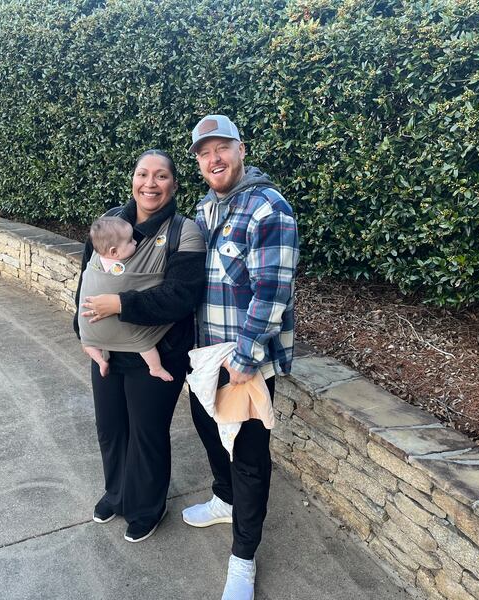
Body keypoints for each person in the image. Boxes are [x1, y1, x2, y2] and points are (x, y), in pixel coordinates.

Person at [182, 115, 299, 600]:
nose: (214, 159)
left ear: (241, 150)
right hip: (207, 353)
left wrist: (247, 356)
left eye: (222, 148)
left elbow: (273, 290)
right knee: (207, 426)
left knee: (249, 457)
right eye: (204, 152)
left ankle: (243, 560)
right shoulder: (205, 209)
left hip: (243, 359)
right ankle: (223, 499)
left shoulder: (269, 208)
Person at [73, 149, 206, 543]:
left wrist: (121, 304)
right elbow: (88, 279)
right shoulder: (111, 223)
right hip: (109, 347)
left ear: (174, 184)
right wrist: (82, 333)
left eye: (161, 176)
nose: (150, 183)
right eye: (143, 174)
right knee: (111, 428)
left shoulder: (186, 232)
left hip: (158, 349)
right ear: (133, 179)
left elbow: (181, 297)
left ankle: (148, 504)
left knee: (146, 433)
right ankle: (117, 493)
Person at [78, 215, 173, 382]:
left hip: (89, 330)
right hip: (128, 334)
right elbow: (141, 282)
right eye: (130, 241)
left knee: (88, 345)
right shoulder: (119, 267)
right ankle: (155, 368)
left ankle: (100, 361)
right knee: (145, 345)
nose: (135, 242)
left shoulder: (96, 262)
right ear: (114, 252)